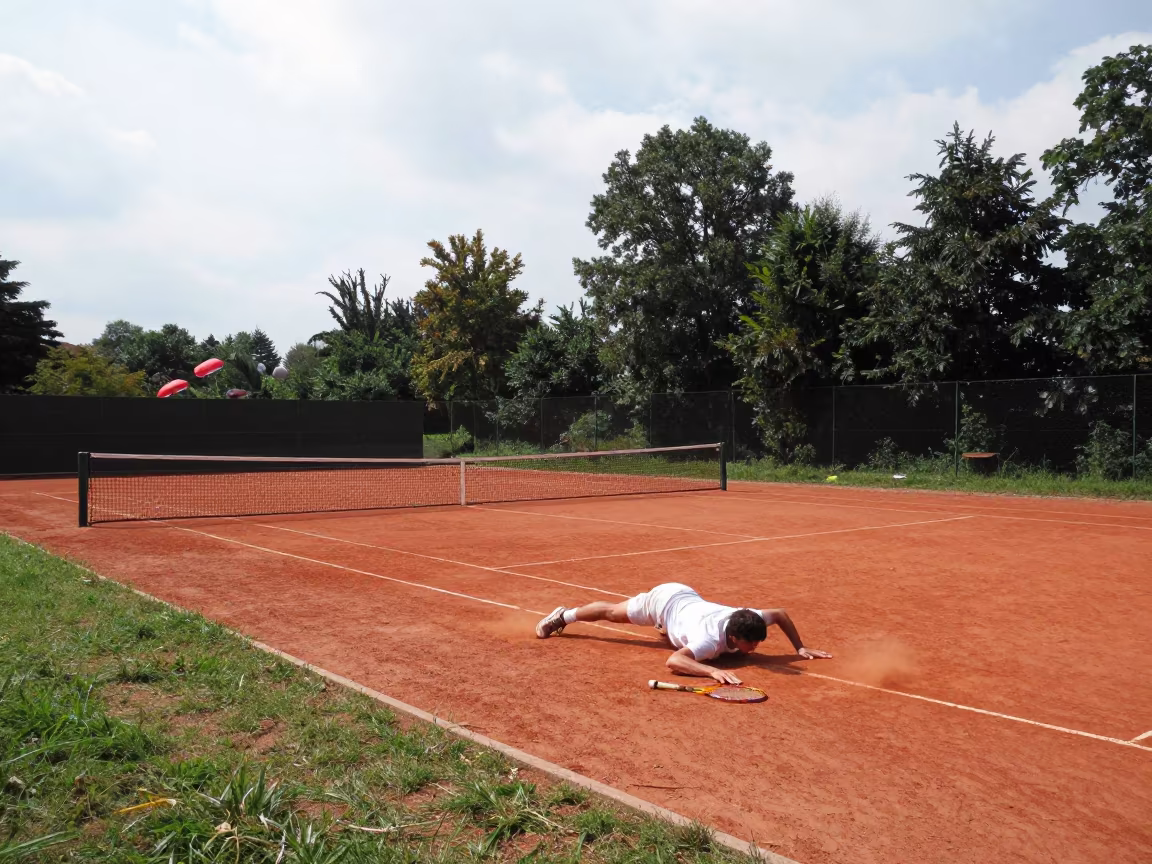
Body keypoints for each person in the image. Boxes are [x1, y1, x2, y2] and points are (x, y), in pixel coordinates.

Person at [534, 582, 831, 684]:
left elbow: (779, 613)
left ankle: (667, 629)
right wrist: (709, 672)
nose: (755, 646)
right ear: (733, 637)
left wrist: (799, 648)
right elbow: (675, 661)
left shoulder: (747, 618)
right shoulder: (709, 641)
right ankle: (563, 615)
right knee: (613, 613)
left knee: (668, 632)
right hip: (664, 601)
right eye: (750, 643)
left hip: (688, 598)